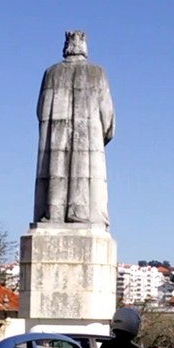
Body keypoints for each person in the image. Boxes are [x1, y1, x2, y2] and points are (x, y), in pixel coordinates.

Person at [33, 30, 115, 227]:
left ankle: (53, 212)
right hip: (88, 137)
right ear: (84, 46)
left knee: (56, 167)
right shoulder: (96, 73)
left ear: (66, 47)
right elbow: (107, 112)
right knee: (83, 170)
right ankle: (79, 211)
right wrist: (105, 134)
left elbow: (39, 109)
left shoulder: (51, 73)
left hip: (55, 137)